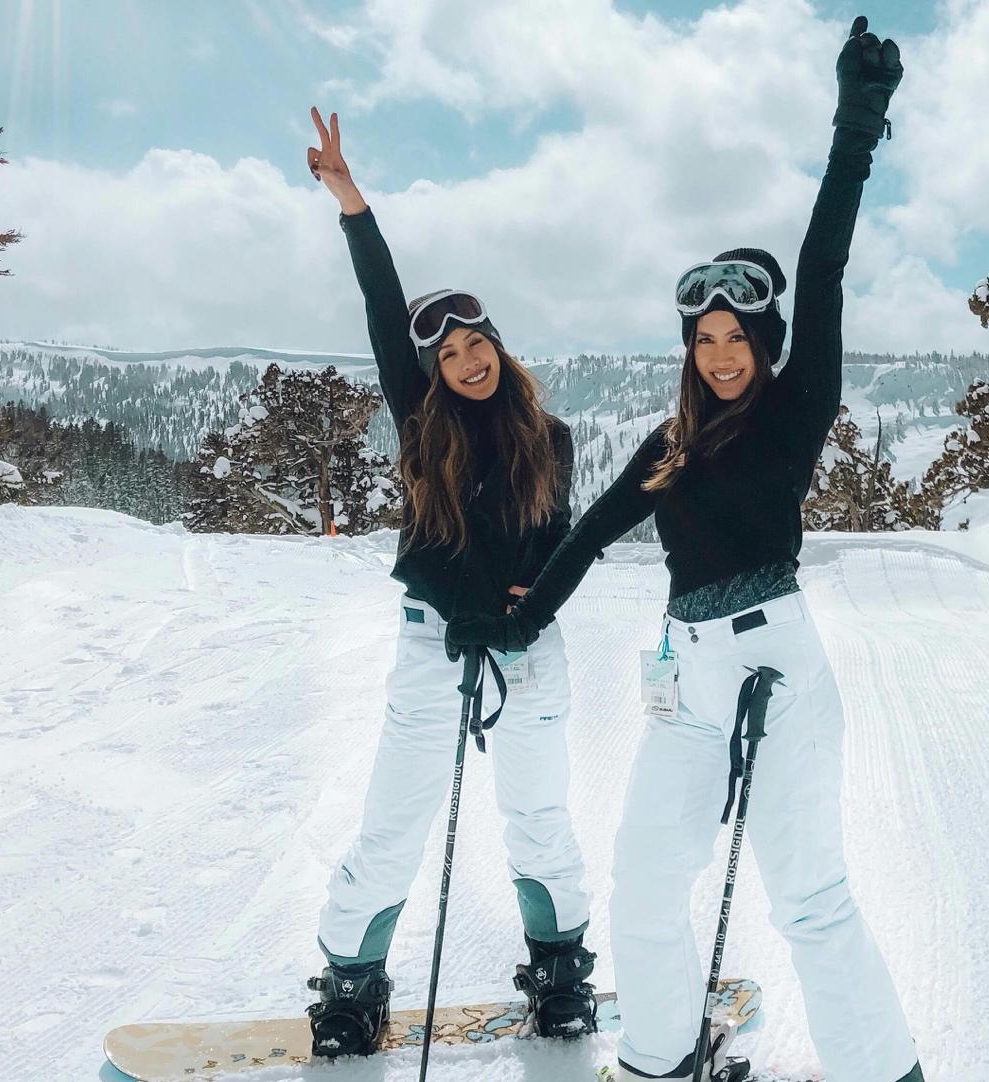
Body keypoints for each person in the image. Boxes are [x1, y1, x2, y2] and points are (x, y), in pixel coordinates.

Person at [446, 18, 923, 1082]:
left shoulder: (794, 412)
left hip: (777, 667)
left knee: (807, 895)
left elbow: (825, 262)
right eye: (702, 340)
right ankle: (663, 1061)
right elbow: (585, 538)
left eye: (735, 339)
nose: (717, 355)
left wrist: (856, 129)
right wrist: (514, 618)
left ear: (766, 346)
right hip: (687, 679)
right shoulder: (669, 446)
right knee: (646, 883)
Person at [302, 106, 597, 1057]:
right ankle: (352, 982)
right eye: (449, 356)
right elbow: (384, 307)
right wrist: (353, 203)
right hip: (432, 640)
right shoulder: (418, 419)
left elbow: (558, 545)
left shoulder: (546, 439)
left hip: (525, 650)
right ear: (430, 369)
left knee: (539, 817)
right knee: (394, 819)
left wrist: (523, 608)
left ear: (498, 350)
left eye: (478, 348)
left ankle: (557, 970)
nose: (466, 364)